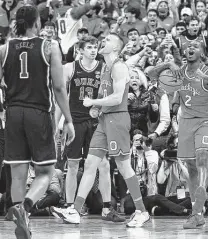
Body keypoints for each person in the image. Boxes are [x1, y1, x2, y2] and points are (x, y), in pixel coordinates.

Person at [59, 33, 151, 227]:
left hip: (117, 120)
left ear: (116, 48)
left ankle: (142, 211)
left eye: (108, 40)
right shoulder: (106, 68)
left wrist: (94, 101)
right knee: (91, 164)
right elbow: (106, 98)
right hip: (103, 121)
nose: (103, 42)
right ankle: (75, 210)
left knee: (124, 166)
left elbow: (118, 98)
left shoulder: (118, 67)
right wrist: (97, 108)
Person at [0, 5, 75, 239]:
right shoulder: (50, 47)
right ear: (38, 23)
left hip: (12, 114)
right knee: (45, 172)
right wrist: (68, 120)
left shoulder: (3, 48)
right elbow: (59, 87)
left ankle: (22, 218)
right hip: (38, 112)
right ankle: (26, 208)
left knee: (18, 172)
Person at [51, 36, 119, 222]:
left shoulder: (104, 68)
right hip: (74, 121)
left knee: (103, 164)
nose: (93, 50)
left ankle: (107, 208)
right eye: (89, 47)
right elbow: (60, 98)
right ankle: (71, 206)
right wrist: (55, 124)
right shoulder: (69, 68)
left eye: (95, 47)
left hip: (96, 122)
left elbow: (110, 95)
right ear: (80, 50)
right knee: (72, 165)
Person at [162, 40, 208, 229]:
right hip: (186, 123)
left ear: (202, 52)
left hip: (205, 121)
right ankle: (197, 214)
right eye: (188, 46)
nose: (191, 48)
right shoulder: (180, 73)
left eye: (195, 46)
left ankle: (198, 208)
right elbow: (153, 76)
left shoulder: (205, 71)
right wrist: (165, 64)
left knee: (202, 160)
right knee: (191, 168)